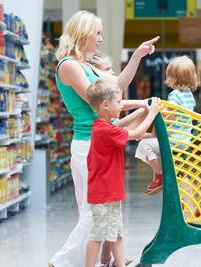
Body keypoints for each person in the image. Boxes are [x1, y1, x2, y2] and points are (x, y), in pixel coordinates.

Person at [49, 10, 159, 267]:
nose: (100, 39)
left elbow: (117, 85)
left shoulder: (86, 66)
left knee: (95, 210)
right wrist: (144, 104)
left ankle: (91, 262)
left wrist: (136, 57)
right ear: (83, 33)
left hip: (98, 142)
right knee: (95, 210)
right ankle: (61, 261)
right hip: (89, 144)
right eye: (97, 33)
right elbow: (101, 101)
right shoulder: (68, 66)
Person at [85, 78, 160, 267]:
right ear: (105, 104)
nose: (121, 105)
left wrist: (141, 114)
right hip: (104, 193)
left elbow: (124, 128)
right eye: (119, 102)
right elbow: (133, 134)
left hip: (109, 191)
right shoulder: (105, 131)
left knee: (115, 232)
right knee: (98, 235)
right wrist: (151, 114)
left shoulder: (103, 127)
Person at [135, 55, 197, 195]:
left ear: (173, 78)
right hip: (185, 141)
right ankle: (188, 207)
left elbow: (171, 115)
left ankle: (159, 174)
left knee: (144, 146)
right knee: (180, 174)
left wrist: (157, 109)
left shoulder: (174, 95)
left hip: (173, 141)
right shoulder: (189, 95)